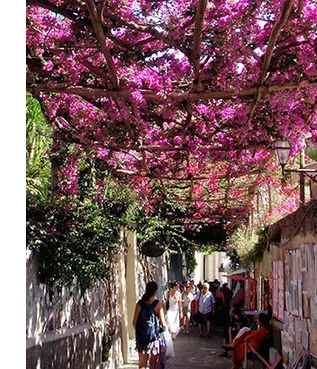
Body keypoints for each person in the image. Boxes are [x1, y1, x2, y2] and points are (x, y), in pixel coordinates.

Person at [133, 281, 167, 369]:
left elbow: (134, 322)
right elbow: (163, 324)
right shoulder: (158, 304)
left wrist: (141, 332)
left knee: (142, 365)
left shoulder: (139, 304)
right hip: (153, 339)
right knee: (153, 365)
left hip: (142, 339)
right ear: (155, 291)